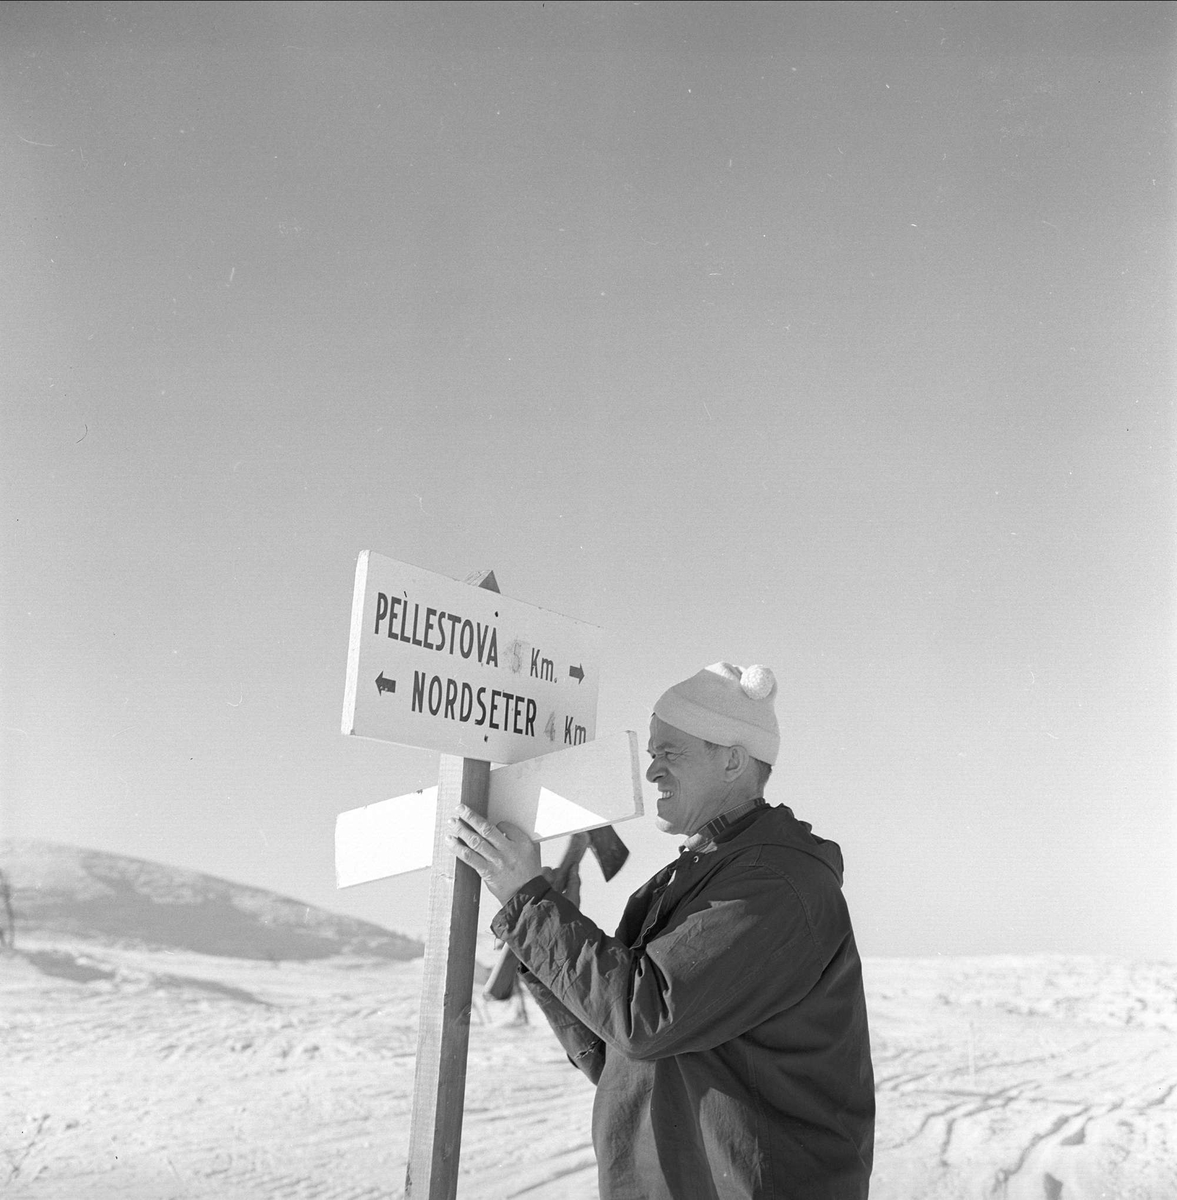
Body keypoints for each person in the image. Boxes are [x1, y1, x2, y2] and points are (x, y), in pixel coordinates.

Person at [448, 662, 874, 1199]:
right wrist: (541, 937)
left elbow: (643, 1018)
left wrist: (531, 905)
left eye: (670, 753)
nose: (652, 773)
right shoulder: (692, 878)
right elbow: (618, 1055)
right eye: (653, 754)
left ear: (734, 761)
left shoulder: (773, 886)